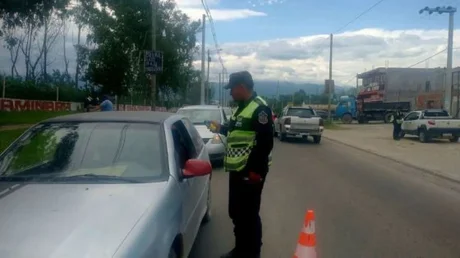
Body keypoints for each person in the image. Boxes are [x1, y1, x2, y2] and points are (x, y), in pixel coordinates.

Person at [209, 71, 274, 258]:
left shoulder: (260, 109)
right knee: (236, 212)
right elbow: (236, 130)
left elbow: (265, 142)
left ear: (241, 87)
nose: (230, 93)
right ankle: (240, 250)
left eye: (232, 89)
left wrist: (256, 171)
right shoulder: (240, 108)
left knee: (249, 215)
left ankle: (252, 253)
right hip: (237, 169)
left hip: (251, 171)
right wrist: (220, 128)